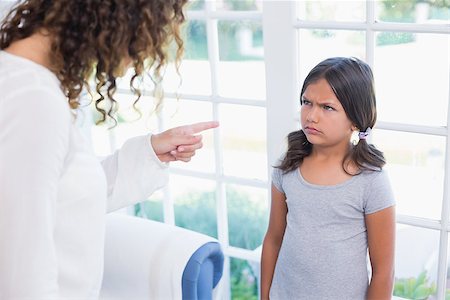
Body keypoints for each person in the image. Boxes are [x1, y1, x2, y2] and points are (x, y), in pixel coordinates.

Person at [0, 0, 219, 299]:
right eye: (149, 30)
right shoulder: (33, 101)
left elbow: (62, 196)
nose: (142, 53)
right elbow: (21, 274)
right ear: (118, 17)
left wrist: (150, 152)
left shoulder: (18, 79)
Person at [260, 57, 395, 300]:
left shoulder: (371, 181)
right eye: (306, 102)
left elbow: (383, 271)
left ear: (355, 119)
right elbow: (273, 239)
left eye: (327, 107)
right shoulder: (288, 166)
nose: (311, 116)